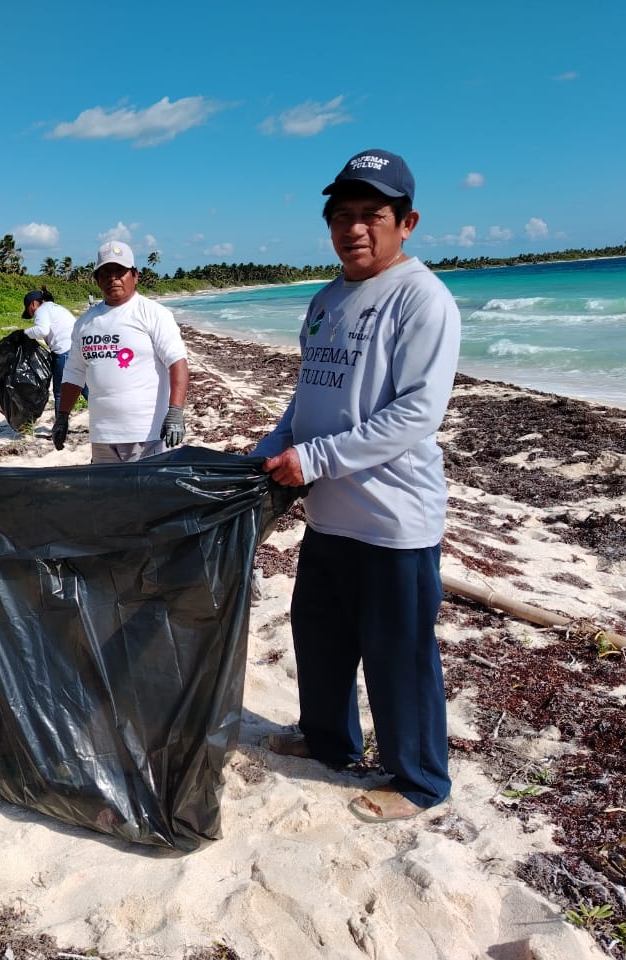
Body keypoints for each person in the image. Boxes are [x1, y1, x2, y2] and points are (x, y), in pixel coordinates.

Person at [253, 148, 461, 823]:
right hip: (329, 515)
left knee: (399, 656)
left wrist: (316, 459)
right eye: (342, 216)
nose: (355, 229)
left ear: (407, 222)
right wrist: (270, 449)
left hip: (393, 518)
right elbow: (308, 396)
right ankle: (328, 741)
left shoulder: (421, 298)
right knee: (320, 638)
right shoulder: (325, 299)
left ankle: (419, 779)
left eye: (373, 214)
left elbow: (415, 413)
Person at [52, 241, 189, 462]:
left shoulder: (154, 314)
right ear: (96, 279)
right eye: (105, 273)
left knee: (145, 486)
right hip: (102, 436)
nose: (113, 278)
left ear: (135, 276)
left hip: (147, 434)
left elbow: (177, 363)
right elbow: (74, 373)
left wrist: (175, 412)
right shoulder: (84, 323)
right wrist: (62, 417)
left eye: (120, 271)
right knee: (106, 486)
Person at [20, 287, 83, 412]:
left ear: (33, 304)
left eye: (29, 311)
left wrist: (24, 333)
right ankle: (103, 416)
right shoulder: (56, 308)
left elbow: (42, 330)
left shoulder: (41, 310)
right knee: (83, 386)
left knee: (60, 393)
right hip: (79, 349)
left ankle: (60, 424)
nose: (32, 315)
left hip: (65, 351)